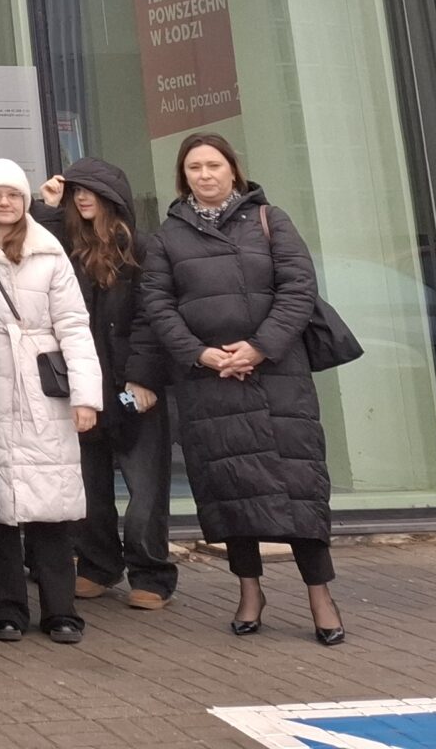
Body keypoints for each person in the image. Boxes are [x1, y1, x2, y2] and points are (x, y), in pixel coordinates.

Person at [140, 131, 345, 646]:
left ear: (232, 169)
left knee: (299, 488)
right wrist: (201, 354)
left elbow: (299, 288)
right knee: (230, 492)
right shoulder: (167, 237)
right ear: (183, 177)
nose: (204, 175)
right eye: (194, 168)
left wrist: (259, 347)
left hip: (277, 377)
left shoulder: (271, 220)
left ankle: (321, 597)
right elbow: (157, 305)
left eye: (213, 165)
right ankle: (249, 593)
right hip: (209, 383)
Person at [0, 158, 102, 646]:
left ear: (26, 200)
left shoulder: (50, 250)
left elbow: (74, 325)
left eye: (13, 194)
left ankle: (60, 609)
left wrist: (86, 396)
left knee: (53, 504)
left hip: (45, 390)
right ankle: (5, 608)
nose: (5, 202)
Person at [38, 159, 176, 610]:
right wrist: (48, 206)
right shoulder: (65, 245)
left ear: (112, 197)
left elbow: (153, 317)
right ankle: (98, 565)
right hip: (85, 386)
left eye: (91, 190)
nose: (82, 197)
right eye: (76, 190)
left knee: (145, 489)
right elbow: (32, 242)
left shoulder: (141, 248)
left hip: (132, 386)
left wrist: (144, 378)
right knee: (90, 486)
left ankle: (151, 573)